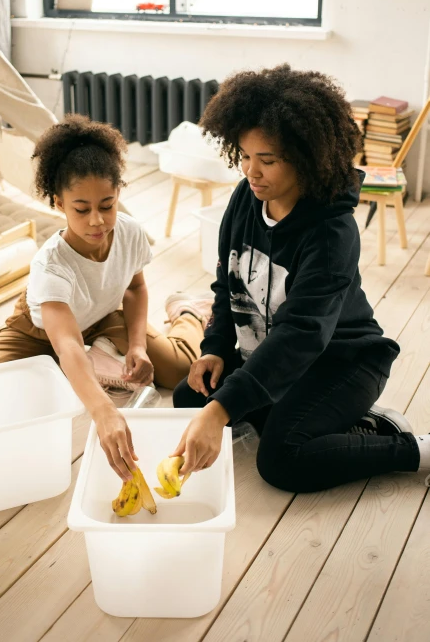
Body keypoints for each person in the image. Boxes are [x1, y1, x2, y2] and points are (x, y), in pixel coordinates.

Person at [171, 64, 429, 492]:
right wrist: (215, 348)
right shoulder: (246, 197)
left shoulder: (331, 234)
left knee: (281, 460)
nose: (251, 171)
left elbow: (301, 335)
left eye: (267, 161)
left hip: (342, 361)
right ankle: (326, 424)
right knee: (189, 396)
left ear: (306, 159)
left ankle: (410, 448)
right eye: (246, 156)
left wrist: (221, 412)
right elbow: (226, 283)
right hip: (272, 356)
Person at [0, 116, 213, 480]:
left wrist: (138, 345)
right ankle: (94, 368)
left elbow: (135, 288)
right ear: (59, 203)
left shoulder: (129, 232)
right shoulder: (51, 265)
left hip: (105, 314)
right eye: (81, 209)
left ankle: (189, 310)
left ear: (118, 195)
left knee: (180, 373)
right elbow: (68, 346)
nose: (97, 221)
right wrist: (104, 411)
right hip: (40, 331)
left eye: (107, 205)